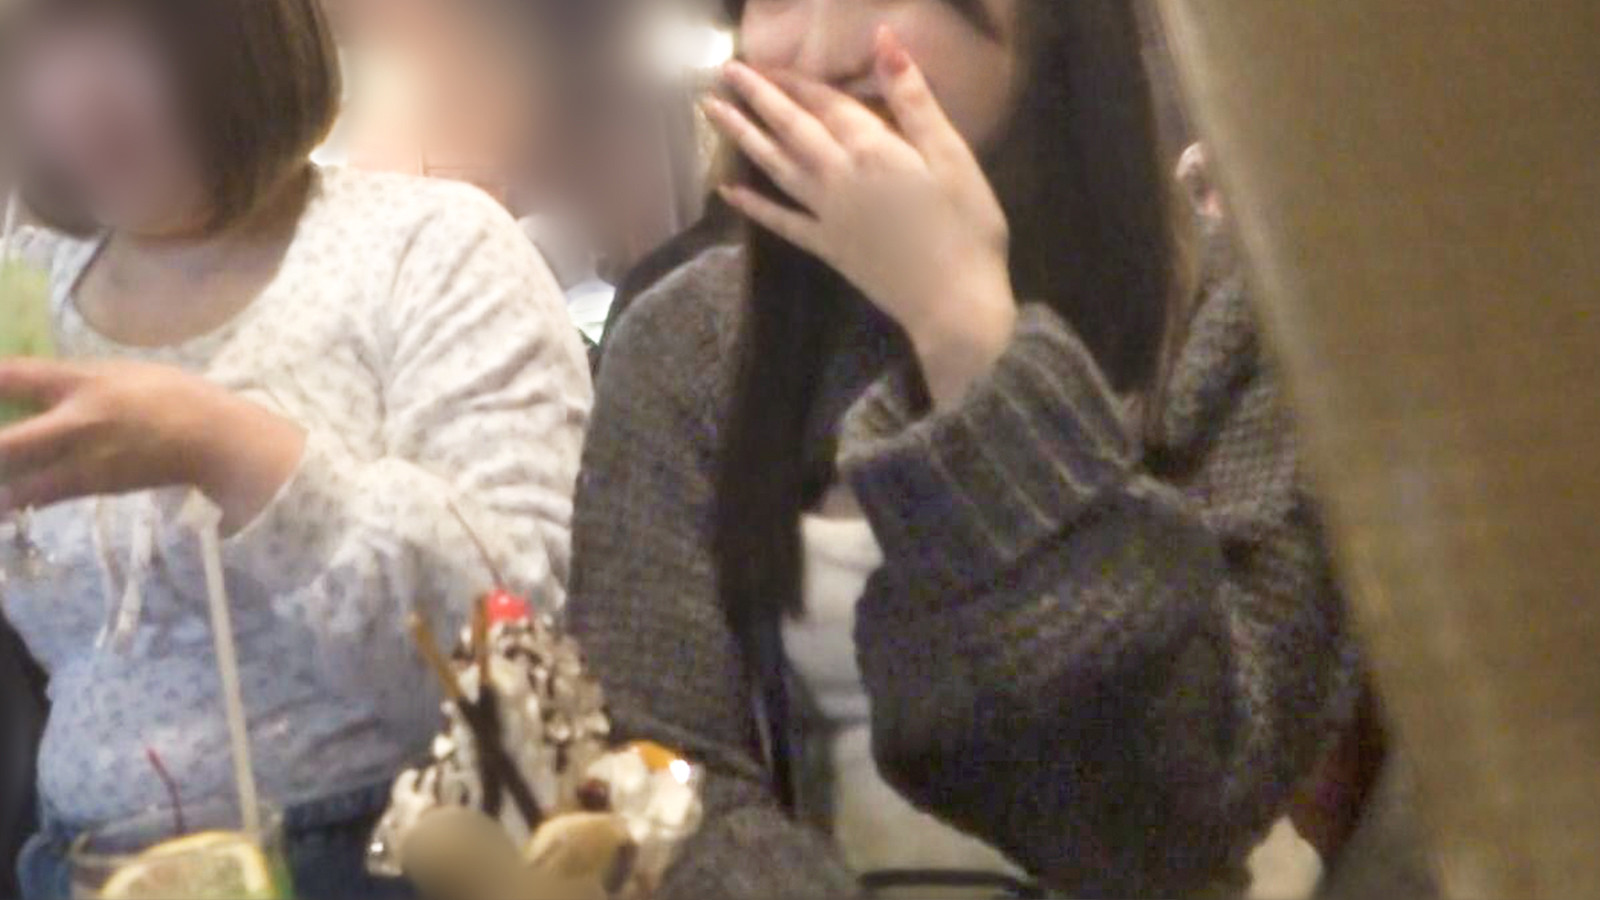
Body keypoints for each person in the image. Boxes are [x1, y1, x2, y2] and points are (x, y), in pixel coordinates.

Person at [568, 0, 1368, 897]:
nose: (823, 52)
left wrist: (967, 335)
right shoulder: (687, 344)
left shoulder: (1241, 319)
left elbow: (1183, 809)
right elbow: (659, 783)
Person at [0, 0, 592, 896]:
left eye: (129, 31)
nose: (77, 93)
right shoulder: (29, 288)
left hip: (386, 851)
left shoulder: (427, 250)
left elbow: (513, 654)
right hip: (81, 863)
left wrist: (224, 449)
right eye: (37, 44)